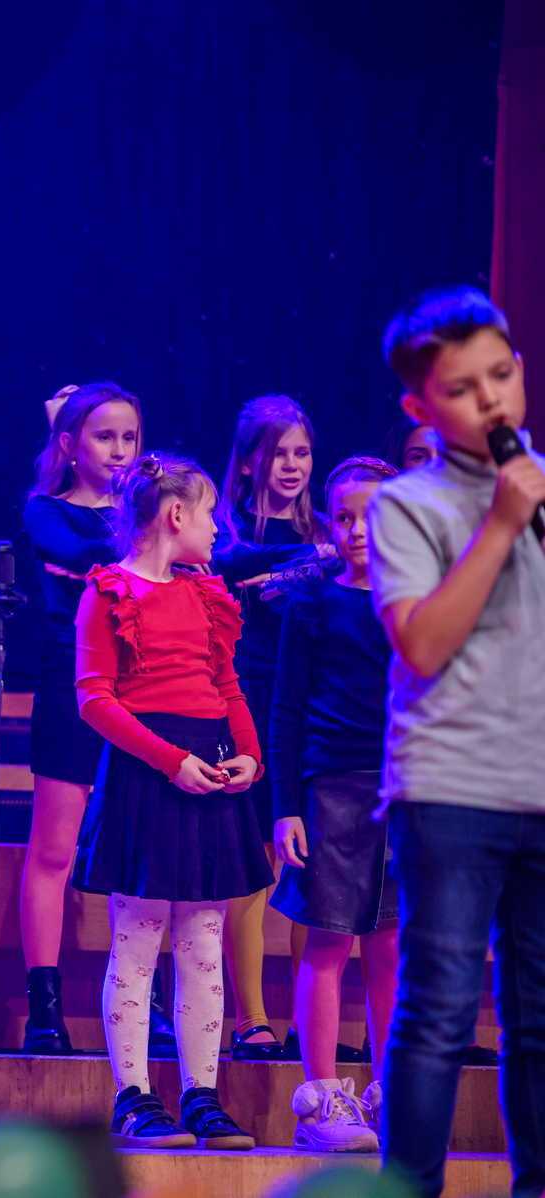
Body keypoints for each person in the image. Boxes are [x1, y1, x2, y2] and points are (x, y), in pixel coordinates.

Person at [369, 287, 545, 1197]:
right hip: (450, 792)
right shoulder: (407, 504)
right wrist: (503, 524)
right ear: (420, 407)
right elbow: (425, 644)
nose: (492, 401)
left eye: (502, 376)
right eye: (464, 389)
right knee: (439, 1013)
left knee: (539, 1018)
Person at [72, 453, 269, 1151]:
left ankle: (201, 1093)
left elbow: (228, 686)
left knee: (203, 940)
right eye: (210, 512)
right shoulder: (110, 590)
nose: (218, 527)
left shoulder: (205, 593)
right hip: (148, 772)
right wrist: (170, 761)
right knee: (138, 938)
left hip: (207, 764)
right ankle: (133, 1096)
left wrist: (249, 755)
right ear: (176, 515)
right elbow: (95, 698)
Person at [268, 457, 401, 1153]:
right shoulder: (312, 604)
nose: (356, 532)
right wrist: (285, 806)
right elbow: (286, 710)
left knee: (390, 945)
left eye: (371, 518)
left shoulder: (418, 603)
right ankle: (321, 1098)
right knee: (329, 941)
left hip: (405, 788)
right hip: (334, 786)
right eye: (344, 518)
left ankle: (391, 1092)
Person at [17, 382, 146, 1054]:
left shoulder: (149, 512)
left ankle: (143, 1001)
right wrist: (147, 540)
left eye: (129, 438)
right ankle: (44, 1007)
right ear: (69, 445)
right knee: (54, 849)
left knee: (140, 851)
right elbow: (76, 554)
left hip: (145, 688)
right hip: (71, 685)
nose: (120, 451)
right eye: (104, 437)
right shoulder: (47, 511)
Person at [212, 394, 330, 1063]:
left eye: (301, 452)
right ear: (248, 461)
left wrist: (310, 565)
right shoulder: (226, 534)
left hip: (311, 703)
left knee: (309, 863)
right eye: (277, 452)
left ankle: (310, 1020)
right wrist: (305, 564)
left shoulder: (329, 532)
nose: (291, 464)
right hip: (250, 696)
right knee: (254, 862)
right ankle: (250, 1017)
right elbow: (232, 567)